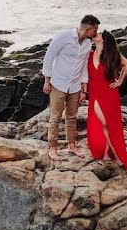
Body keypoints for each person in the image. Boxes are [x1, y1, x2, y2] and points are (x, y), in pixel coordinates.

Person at [42, 14, 100, 160]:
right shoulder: (63, 37)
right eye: (95, 30)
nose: (96, 33)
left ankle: (71, 146)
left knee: (72, 117)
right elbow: (49, 57)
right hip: (58, 83)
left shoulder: (87, 44)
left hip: (74, 86)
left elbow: (83, 67)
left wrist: (83, 88)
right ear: (88, 29)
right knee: (55, 117)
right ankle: (53, 148)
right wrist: (47, 81)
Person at [86, 30, 127, 169]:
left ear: (104, 41)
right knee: (104, 123)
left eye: (99, 34)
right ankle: (112, 153)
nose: (96, 35)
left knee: (108, 124)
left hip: (109, 93)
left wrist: (119, 81)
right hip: (94, 93)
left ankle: (109, 152)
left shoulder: (111, 54)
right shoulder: (89, 53)